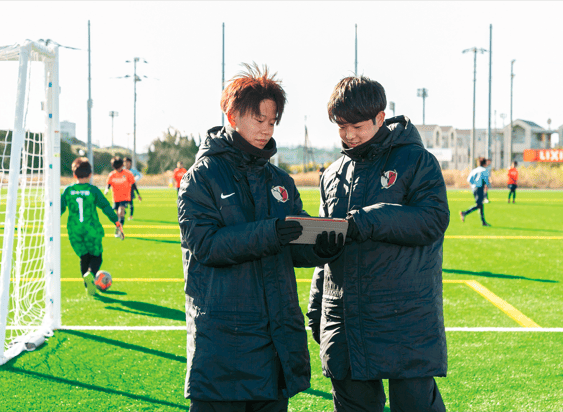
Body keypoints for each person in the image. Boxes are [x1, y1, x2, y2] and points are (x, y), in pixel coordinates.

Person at [178, 63, 344, 412]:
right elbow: (206, 246)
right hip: (223, 341)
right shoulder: (201, 177)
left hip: (275, 339)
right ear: (232, 115)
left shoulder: (280, 180)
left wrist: (320, 249)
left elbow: (291, 247)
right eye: (259, 119)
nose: (266, 129)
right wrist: (270, 232)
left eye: (272, 121)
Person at [307, 75, 450, 412]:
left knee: (415, 405)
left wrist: (370, 219)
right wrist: (317, 307)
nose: (348, 134)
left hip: (405, 315)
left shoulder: (417, 161)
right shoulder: (332, 174)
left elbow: (432, 220)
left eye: (356, 126)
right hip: (344, 317)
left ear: (380, 118)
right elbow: (326, 250)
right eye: (341, 126)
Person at [61, 157, 123, 296]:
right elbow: (105, 207)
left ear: (74, 174)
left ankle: (87, 284)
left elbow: (60, 208)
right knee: (96, 256)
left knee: (84, 257)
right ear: (90, 175)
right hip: (91, 229)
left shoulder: (68, 190)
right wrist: (116, 222)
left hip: (74, 230)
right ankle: (91, 274)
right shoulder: (93, 190)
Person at [104, 156, 142, 237]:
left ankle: (120, 229)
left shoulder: (128, 173)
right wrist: (106, 189)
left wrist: (138, 194)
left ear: (122, 165)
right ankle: (117, 227)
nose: (118, 169)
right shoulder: (112, 174)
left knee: (120, 211)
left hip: (125, 197)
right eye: (116, 168)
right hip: (116, 197)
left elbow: (133, 183)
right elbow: (109, 183)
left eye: (119, 167)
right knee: (117, 215)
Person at [460, 157, 491, 226]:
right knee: (479, 205)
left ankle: (483, 222)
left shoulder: (474, 170)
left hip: (474, 189)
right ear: (485, 163)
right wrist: (486, 187)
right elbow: (486, 181)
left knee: (480, 205)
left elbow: (469, 180)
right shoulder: (484, 170)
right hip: (480, 189)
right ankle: (464, 213)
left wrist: (474, 185)